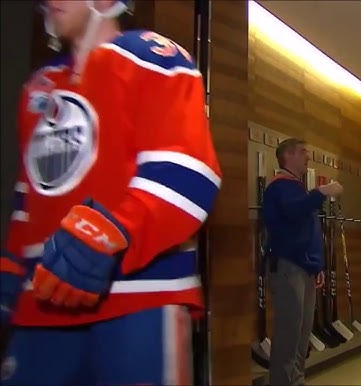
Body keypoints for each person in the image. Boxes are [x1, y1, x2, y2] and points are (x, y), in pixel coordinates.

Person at [0, 1, 221, 384]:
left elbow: (188, 174)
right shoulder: (39, 88)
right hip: (39, 309)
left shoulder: (155, 57)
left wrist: (110, 234)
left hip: (140, 302)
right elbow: (28, 201)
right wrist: (9, 277)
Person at [261, 138, 343, 386]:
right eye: (304, 152)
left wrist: (316, 265)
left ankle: (296, 381)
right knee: (289, 333)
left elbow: (307, 230)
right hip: (288, 266)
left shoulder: (296, 187)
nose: (308, 157)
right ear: (289, 155)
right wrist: (321, 192)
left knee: (301, 333)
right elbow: (293, 212)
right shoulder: (279, 186)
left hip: (304, 267)